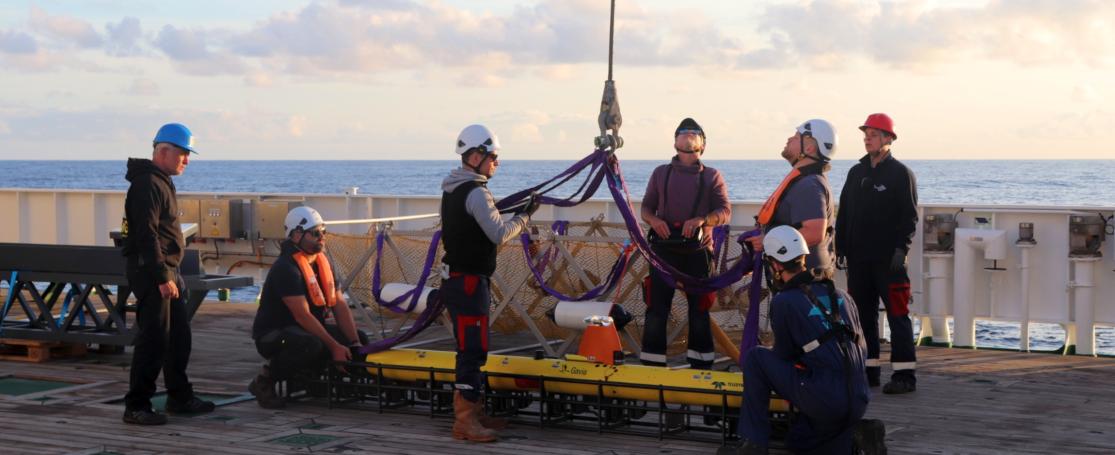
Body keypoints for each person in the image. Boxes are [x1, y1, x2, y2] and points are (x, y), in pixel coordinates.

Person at [735, 226, 879, 455]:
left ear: (776, 266)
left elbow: (784, 356)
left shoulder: (784, 302)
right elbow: (861, 348)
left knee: (756, 358)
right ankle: (856, 437)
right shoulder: (842, 295)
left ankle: (752, 445)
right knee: (800, 442)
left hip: (824, 398)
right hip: (858, 397)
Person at [440, 124, 538, 442]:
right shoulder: (477, 193)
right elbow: (498, 233)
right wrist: (524, 217)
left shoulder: (454, 188)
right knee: (472, 350)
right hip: (468, 282)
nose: (497, 162)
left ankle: (474, 414)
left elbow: (482, 220)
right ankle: (465, 422)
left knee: (473, 348)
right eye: (494, 156)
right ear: (477, 155)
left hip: (460, 280)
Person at [120, 123, 215, 425]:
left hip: (167, 270)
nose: (186, 160)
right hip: (153, 272)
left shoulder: (160, 182)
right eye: (183, 154)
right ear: (163, 151)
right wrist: (162, 276)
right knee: (155, 339)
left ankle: (179, 396)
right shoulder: (148, 184)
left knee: (178, 337)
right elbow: (147, 235)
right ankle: (136, 405)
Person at [248, 206, 368, 409]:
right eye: (314, 233)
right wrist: (335, 347)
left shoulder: (323, 262)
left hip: (304, 330)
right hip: (273, 335)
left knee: (359, 338)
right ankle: (264, 381)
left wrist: (353, 342)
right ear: (295, 235)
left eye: (323, 232)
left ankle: (313, 379)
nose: (321, 237)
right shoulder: (286, 268)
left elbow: (339, 304)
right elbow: (302, 315)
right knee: (311, 344)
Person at [835, 113, 919, 394]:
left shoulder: (900, 174)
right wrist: (842, 247)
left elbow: (909, 217)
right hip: (859, 260)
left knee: (897, 314)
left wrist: (901, 249)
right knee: (862, 317)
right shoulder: (856, 172)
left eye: (873, 133)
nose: (867, 138)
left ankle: (904, 375)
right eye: (866, 133)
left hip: (889, 260)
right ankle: (868, 370)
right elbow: (844, 212)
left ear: (888, 138)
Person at [639, 117, 731, 369]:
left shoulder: (712, 176)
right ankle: (651, 366)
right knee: (656, 309)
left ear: (703, 145)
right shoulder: (660, 173)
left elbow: (725, 211)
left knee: (699, 311)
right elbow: (645, 208)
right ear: (675, 143)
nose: (688, 134)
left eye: (694, 132)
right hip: (662, 252)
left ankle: (700, 368)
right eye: (683, 132)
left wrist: (703, 219)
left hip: (697, 253)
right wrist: (654, 221)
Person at [749, 119, 838, 278]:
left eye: (796, 137)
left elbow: (814, 232)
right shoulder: (806, 181)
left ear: (809, 148)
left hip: (804, 280)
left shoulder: (810, 185)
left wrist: (768, 242)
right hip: (796, 278)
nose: (790, 139)